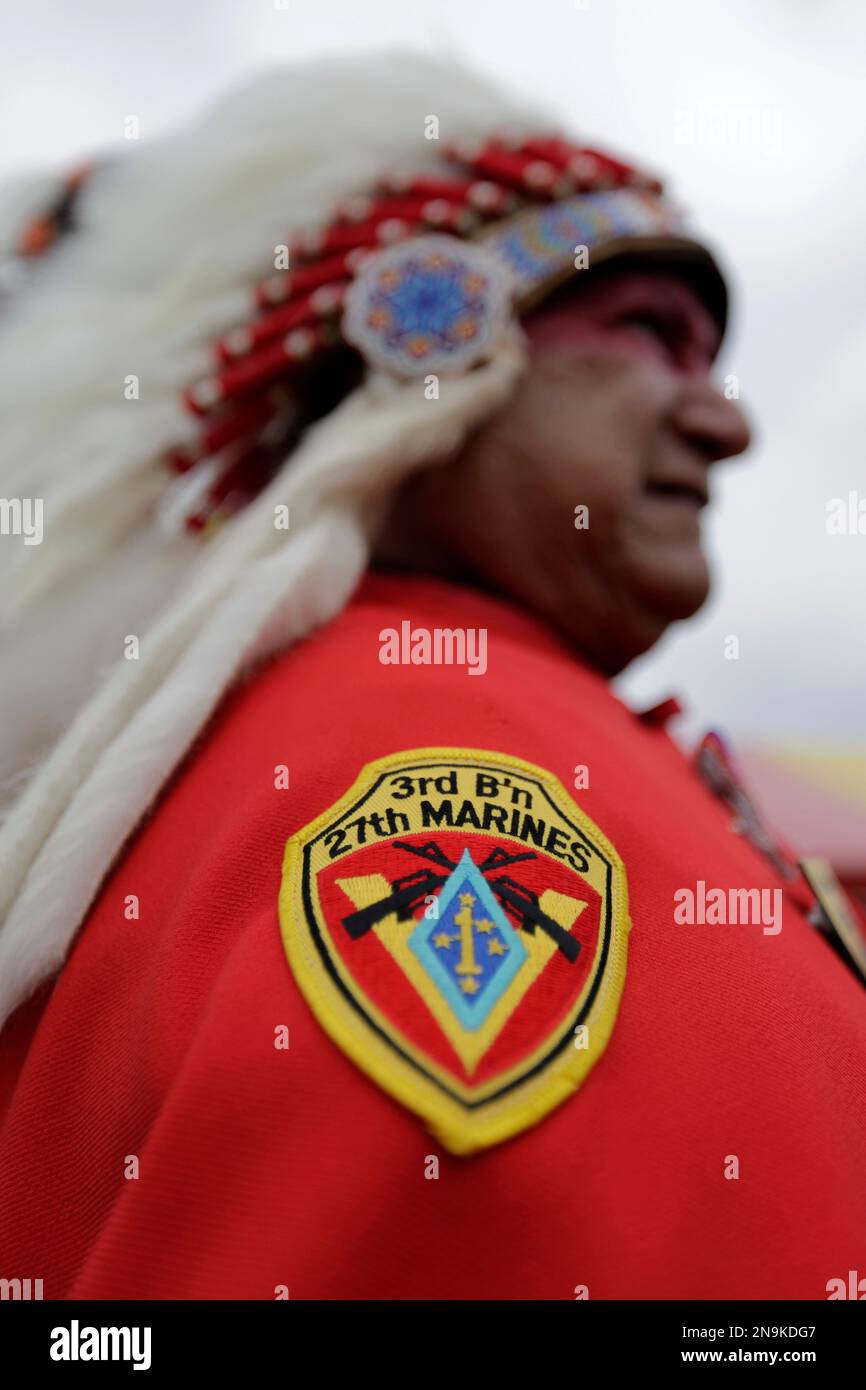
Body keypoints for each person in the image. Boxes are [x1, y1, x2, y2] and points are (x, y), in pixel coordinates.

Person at [0, 51, 863, 1302]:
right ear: (433, 350)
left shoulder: (348, 725)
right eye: (645, 335)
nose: (725, 424)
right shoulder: (434, 754)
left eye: (711, 364)